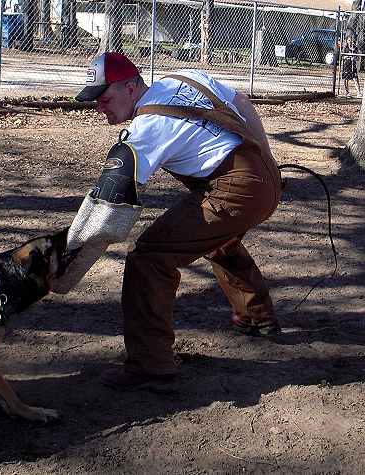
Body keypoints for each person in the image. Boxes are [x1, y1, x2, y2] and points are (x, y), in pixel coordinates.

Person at [75, 52, 282, 390]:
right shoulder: (183, 78)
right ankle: (256, 318)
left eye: (105, 97)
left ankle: (151, 366)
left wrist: (75, 249)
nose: (100, 107)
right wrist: (265, 157)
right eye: (95, 100)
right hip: (261, 174)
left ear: (130, 87)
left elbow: (114, 195)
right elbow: (241, 102)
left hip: (236, 187)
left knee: (150, 258)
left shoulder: (148, 127)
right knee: (216, 240)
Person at [342, 33, 361, 98]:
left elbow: (358, 57)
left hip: (353, 65)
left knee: (355, 78)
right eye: (349, 40)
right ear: (347, 41)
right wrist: (347, 56)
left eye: (352, 40)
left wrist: (355, 57)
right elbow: (342, 56)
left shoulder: (355, 47)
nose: (350, 42)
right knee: (346, 79)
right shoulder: (345, 48)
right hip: (347, 65)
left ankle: (358, 92)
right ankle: (347, 92)